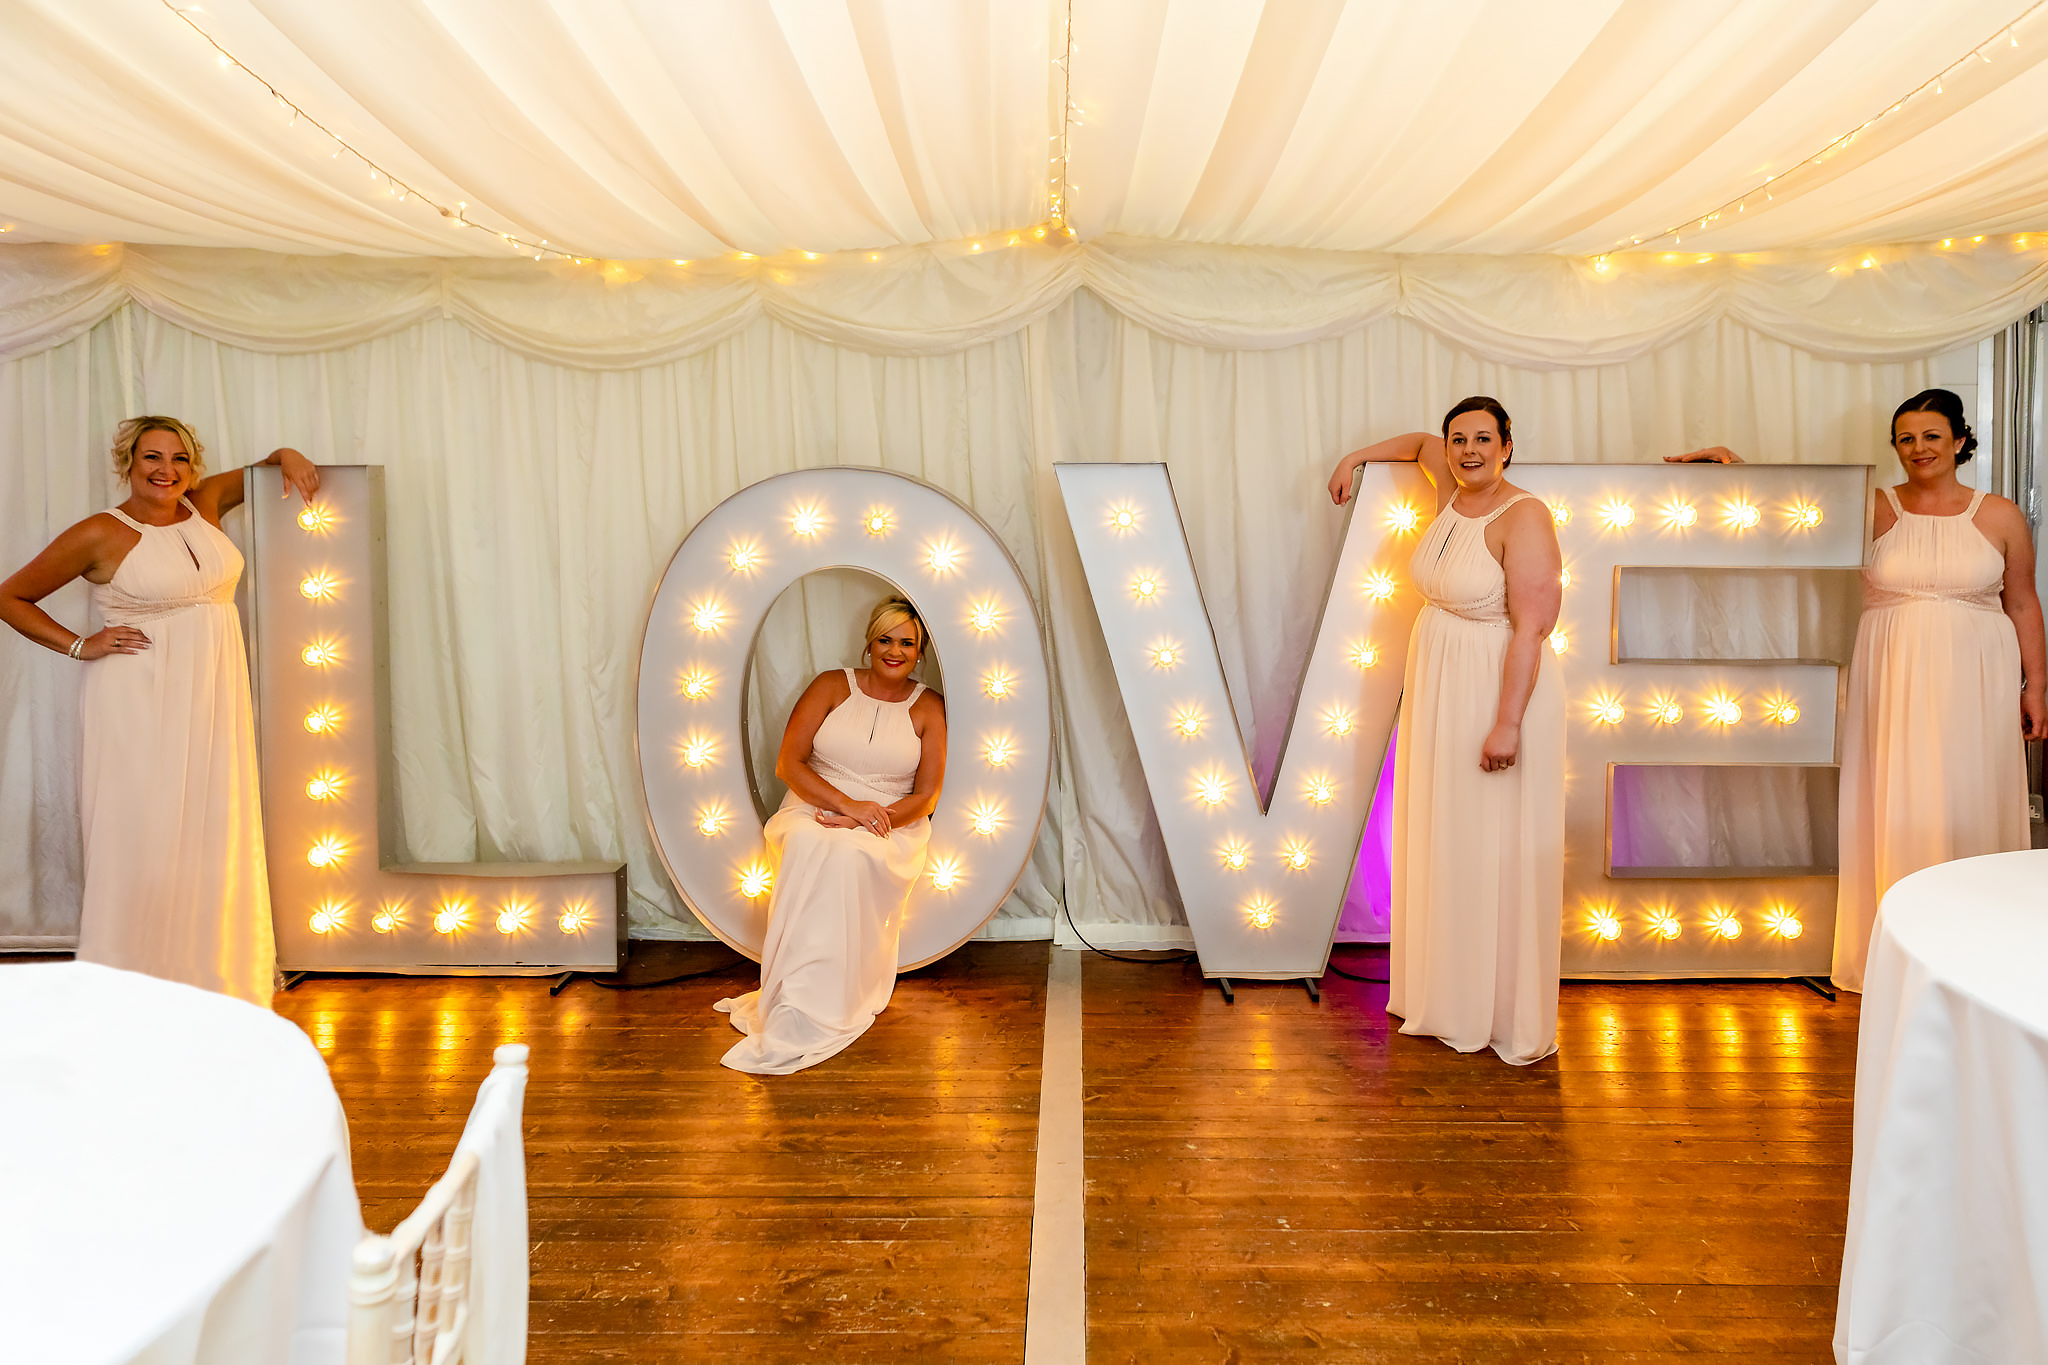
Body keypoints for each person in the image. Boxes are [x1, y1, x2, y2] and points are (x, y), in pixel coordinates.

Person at [0, 417, 320, 1005]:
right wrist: (80, 643)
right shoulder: (103, 530)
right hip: (135, 694)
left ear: (193, 466)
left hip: (214, 689)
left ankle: (208, 971)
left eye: (178, 459)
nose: (165, 470)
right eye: (151, 458)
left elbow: (268, 464)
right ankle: (130, 982)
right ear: (128, 463)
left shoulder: (204, 503)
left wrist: (288, 451)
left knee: (211, 820)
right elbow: (9, 596)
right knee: (141, 827)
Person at [1327, 397, 1566, 1064]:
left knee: (1490, 845)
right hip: (1439, 684)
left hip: (1495, 687)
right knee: (1449, 837)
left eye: (1483, 439)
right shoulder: (1447, 476)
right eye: (1459, 438)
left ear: (1508, 443)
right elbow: (1413, 440)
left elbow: (1532, 628)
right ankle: (1446, 991)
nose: (1468, 450)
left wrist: (1507, 724)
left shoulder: (1524, 516)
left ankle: (1491, 1009)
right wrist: (1354, 457)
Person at [1832, 389, 2045, 992]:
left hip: (1977, 672)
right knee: (1899, 798)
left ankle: (1977, 949)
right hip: (1892, 668)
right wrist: (1731, 468)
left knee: (1968, 794)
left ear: (1958, 440)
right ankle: (1900, 952)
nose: (1918, 448)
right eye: (1905, 438)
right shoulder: (1870, 507)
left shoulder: (2000, 514)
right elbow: (1788, 511)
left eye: (1931, 436)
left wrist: (2037, 689)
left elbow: (2024, 603)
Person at [715, 596, 947, 1074]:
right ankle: (791, 1000)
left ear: (920, 651)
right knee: (807, 843)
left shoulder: (929, 707)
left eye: (907, 642)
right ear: (869, 642)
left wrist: (871, 817)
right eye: (886, 639)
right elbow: (788, 764)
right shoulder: (830, 686)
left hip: (891, 821)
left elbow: (926, 795)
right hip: (813, 806)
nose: (895, 651)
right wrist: (845, 807)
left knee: (849, 856)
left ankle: (828, 1000)